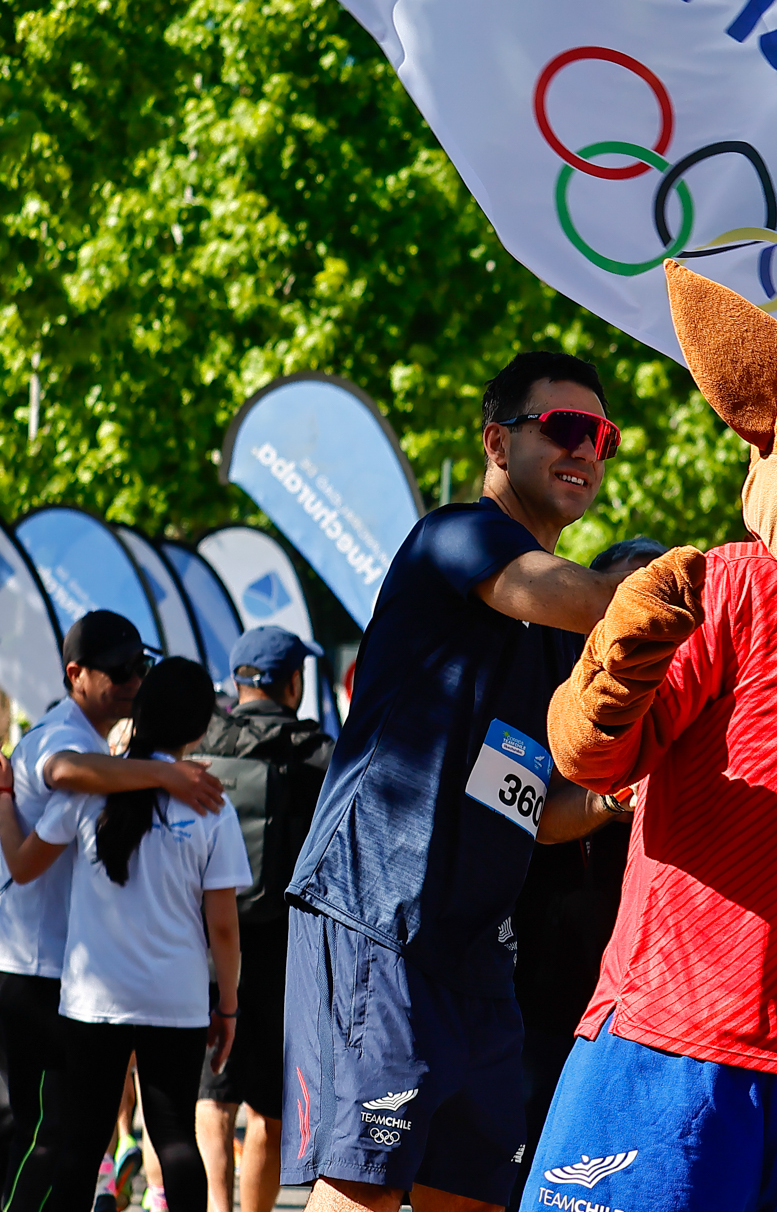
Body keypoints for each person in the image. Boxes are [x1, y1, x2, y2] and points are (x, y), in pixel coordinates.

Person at [281, 351, 640, 1212]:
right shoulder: (455, 536)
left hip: (479, 955)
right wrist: (701, 592)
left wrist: (621, 794)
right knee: (360, 1191)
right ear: (496, 440)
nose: (586, 448)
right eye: (562, 426)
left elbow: (540, 811)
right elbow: (567, 592)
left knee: (473, 1196)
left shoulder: (563, 637)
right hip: (374, 914)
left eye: (602, 436)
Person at [8, 659, 248, 1212]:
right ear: (201, 729)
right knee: (176, 1140)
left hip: (92, 1002)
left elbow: (23, 868)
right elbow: (223, 927)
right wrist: (228, 1006)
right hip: (177, 1000)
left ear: (140, 713)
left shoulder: (89, 795)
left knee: (81, 1142)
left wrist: (3, 800)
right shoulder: (212, 805)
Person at [506, 539, 656, 1204]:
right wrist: (614, 797)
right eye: (619, 599)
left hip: (642, 1005)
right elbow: (527, 813)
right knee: (528, 1165)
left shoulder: (693, 695)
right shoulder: (545, 686)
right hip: (538, 985)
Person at [191, 628, 334, 1212]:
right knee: (270, 1105)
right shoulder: (319, 754)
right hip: (285, 950)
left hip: (204, 939)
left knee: (212, 1089)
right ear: (292, 682)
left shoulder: (204, 744)